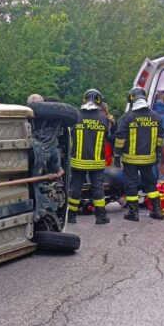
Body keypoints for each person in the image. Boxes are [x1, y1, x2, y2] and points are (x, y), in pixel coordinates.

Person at [114, 87, 164, 221]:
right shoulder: (156, 117)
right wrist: (157, 154)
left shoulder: (127, 117)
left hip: (130, 159)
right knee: (151, 184)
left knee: (131, 185)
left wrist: (116, 155)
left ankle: (133, 212)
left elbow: (120, 138)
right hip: (149, 159)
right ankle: (157, 210)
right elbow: (160, 138)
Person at [68, 89, 112, 225]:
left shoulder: (76, 116)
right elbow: (107, 137)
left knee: (75, 189)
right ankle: (100, 217)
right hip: (96, 161)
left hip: (78, 161)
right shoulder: (104, 119)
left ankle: (71, 216)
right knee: (98, 189)